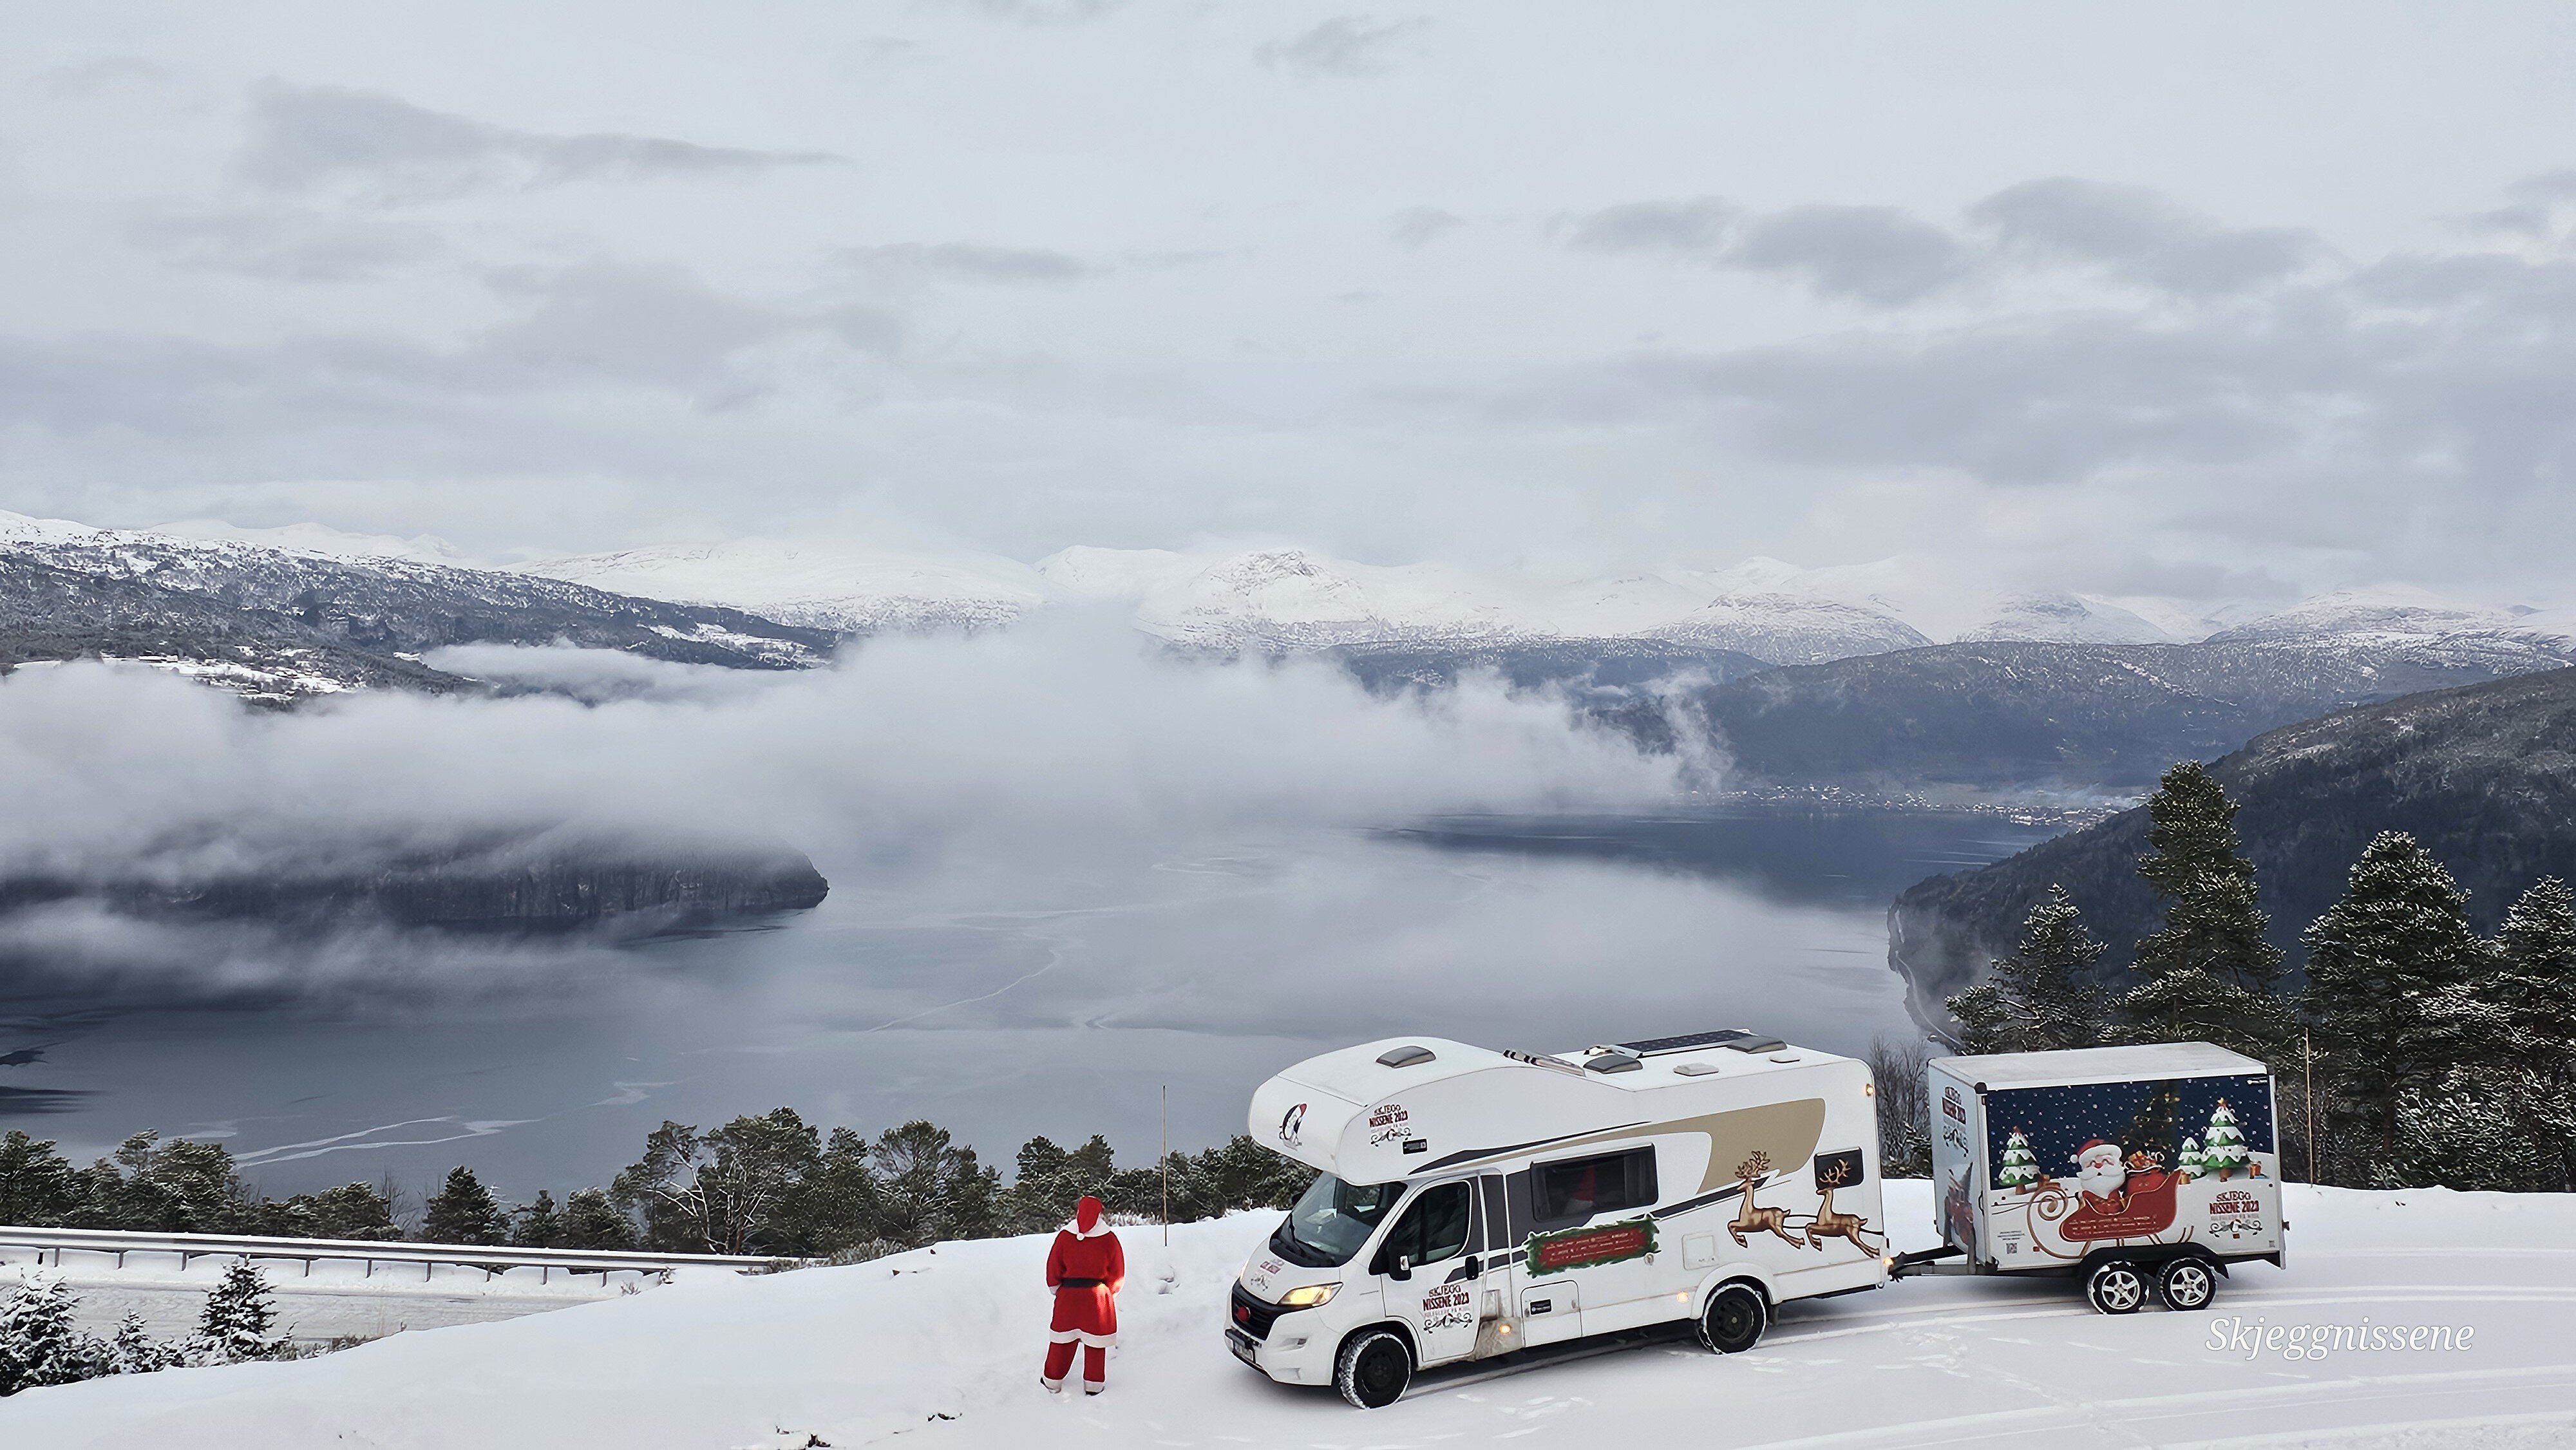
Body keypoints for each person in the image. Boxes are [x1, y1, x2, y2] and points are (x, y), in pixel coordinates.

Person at [1041, 1194, 1124, 1396]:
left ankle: (1052, 1380)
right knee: (1095, 1344)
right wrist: (1108, 1293)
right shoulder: (1110, 1239)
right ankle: (1093, 1385)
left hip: (1068, 1297)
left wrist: (1057, 1288)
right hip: (1097, 1298)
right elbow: (1117, 1273)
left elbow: (1053, 1268)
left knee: (1061, 1341)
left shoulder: (1064, 1237)